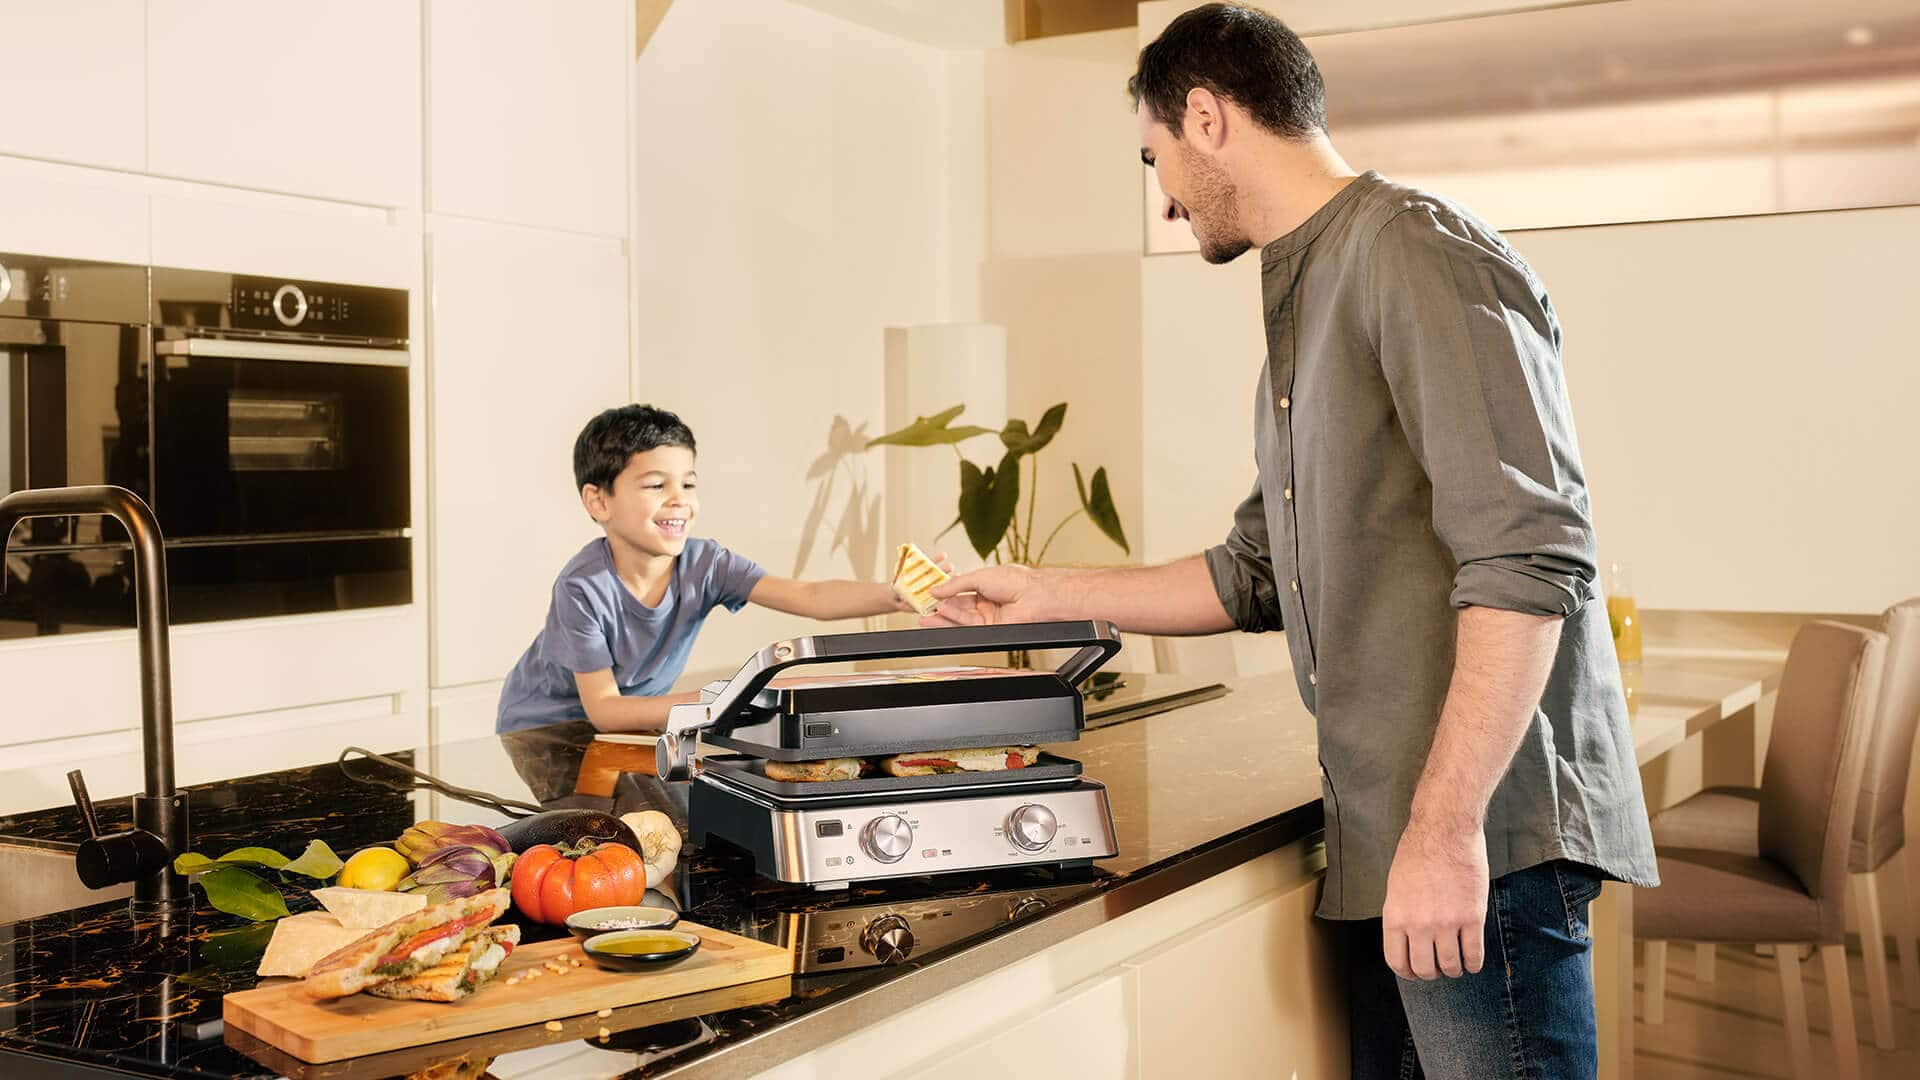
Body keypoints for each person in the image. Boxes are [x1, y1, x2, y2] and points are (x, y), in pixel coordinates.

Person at [925, 6, 1656, 1076]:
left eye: (1154, 157)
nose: (1164, 202)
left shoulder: (1414, 247)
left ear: (1208, 117)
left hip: (1478, 847)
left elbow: (1528, 560)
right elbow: (1254, 575)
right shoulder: (1309, 295)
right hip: (1392, 838)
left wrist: (1447, 829)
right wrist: (1038, 590)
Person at [497, 404, 940, 734]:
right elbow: (605, 710)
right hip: (544, 731)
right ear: (599, 501)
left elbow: (810, 597)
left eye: (688, 483)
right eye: (656, 485)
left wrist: (891, 594)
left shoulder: (706, 564)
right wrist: (711, 699)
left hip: (632, 723)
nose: (679, 499)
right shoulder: (582, 588)